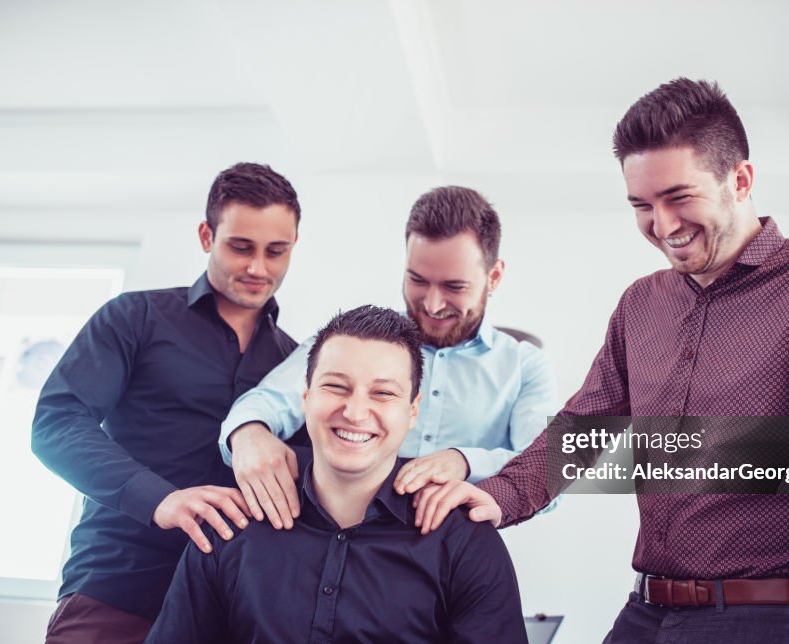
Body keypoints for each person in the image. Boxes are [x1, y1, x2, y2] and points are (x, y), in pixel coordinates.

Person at [414, 79, 789, 644]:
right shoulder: (641, 304)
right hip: (644, 619)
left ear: (741, 180)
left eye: (679, 197)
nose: (662, 224)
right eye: (641, 206)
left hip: (767, 632)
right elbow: (583, 428)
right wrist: (499, 493)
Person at [123, 306, 534, 644]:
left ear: (413, 411)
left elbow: (584, 448)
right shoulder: (231, 530)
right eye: (336, 387)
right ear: (305, 397)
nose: (355, 412)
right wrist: (246, 431)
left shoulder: (464, 545)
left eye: (383, 393)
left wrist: (477, 468)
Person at [30, 162, 306, 644]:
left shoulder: (296, 366)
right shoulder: (132, 318)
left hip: (226, 616)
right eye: (241, 247)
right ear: (207, 235)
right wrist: (159, 498)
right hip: (114, 589)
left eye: (276, 251)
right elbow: (57, 423)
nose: (258, 268)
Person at [218, 185, 556, 529]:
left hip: (451, 560)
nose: (433, 304)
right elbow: (265, 401)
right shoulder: (352, 339)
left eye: (454, 287)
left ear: (493, 276)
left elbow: (555, 468)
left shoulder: (525, 366)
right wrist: (249, 434)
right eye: (418, 280)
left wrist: (466, 461)